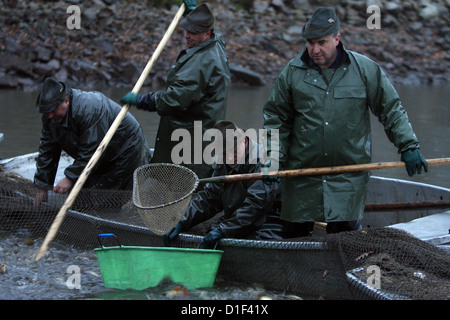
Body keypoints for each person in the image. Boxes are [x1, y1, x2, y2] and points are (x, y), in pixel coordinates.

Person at [262, 7, 428, 237]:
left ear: (337, 38)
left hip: (347, 178)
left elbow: (390, 109)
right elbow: (275, 119)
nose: (315, 50)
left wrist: (408, 145)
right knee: (293, 239)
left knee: (345, 243)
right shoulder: (291, 72)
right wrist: (272, 160)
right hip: (301, 177)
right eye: (310, 43)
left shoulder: (364, 69)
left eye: (322, 42)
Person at [120, 2, 231, 180]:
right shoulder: (215, 43)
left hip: (191, 138)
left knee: (182, 183)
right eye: (186, 30)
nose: (187, 35)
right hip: (200, 130)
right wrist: (193, 14)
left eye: (193, 32)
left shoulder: (201, 63)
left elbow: (175, 98)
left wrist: (143, 100)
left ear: (207, 33)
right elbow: (216, 35)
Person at [163, 120, 283, 248]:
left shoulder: (262, 161)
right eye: (225, 153)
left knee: (252, 241)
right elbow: (210, 197)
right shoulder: (222, 163)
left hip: (268, 219)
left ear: (244, 141)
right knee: (212, 232)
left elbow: (256, 205)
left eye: (235, 150)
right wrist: (182, 220)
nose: (231, 157)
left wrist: (223, 230)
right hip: (238, 214)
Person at [33, 77, 152, 205]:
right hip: (99, 156)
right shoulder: (50, 117)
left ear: (66, 101)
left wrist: (70, 178)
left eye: (52, 110)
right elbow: (47, 149)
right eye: (46, 112)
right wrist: (43, 185)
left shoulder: (89, 108)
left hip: (126, 150)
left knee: (101, 202)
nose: (49, 116)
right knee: (80, 198)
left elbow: (92, 150)